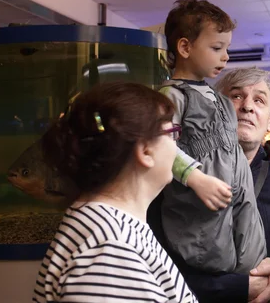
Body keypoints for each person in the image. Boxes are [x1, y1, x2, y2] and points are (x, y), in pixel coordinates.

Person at [148, 67, 270, 303]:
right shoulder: (172, 182)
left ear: (269, 122)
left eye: (259, 100)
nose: (247, 107)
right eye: (235, 96)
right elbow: (155, 267)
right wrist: (238, 287)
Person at [32, 82, 196, 303]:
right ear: (145, 150)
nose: (176, 146)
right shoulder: (111, 251)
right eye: (172, 133)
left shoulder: (104, 226)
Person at [158, 0, 266, 274]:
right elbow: (161, 146)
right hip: (202, 204)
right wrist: (195, 177)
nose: (225, 56)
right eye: (216, 48)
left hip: (239, 191)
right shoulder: (172, 96)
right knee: (213, 256)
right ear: (185, 47)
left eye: (226, 48)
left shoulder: (219, 99)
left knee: (251, 248)